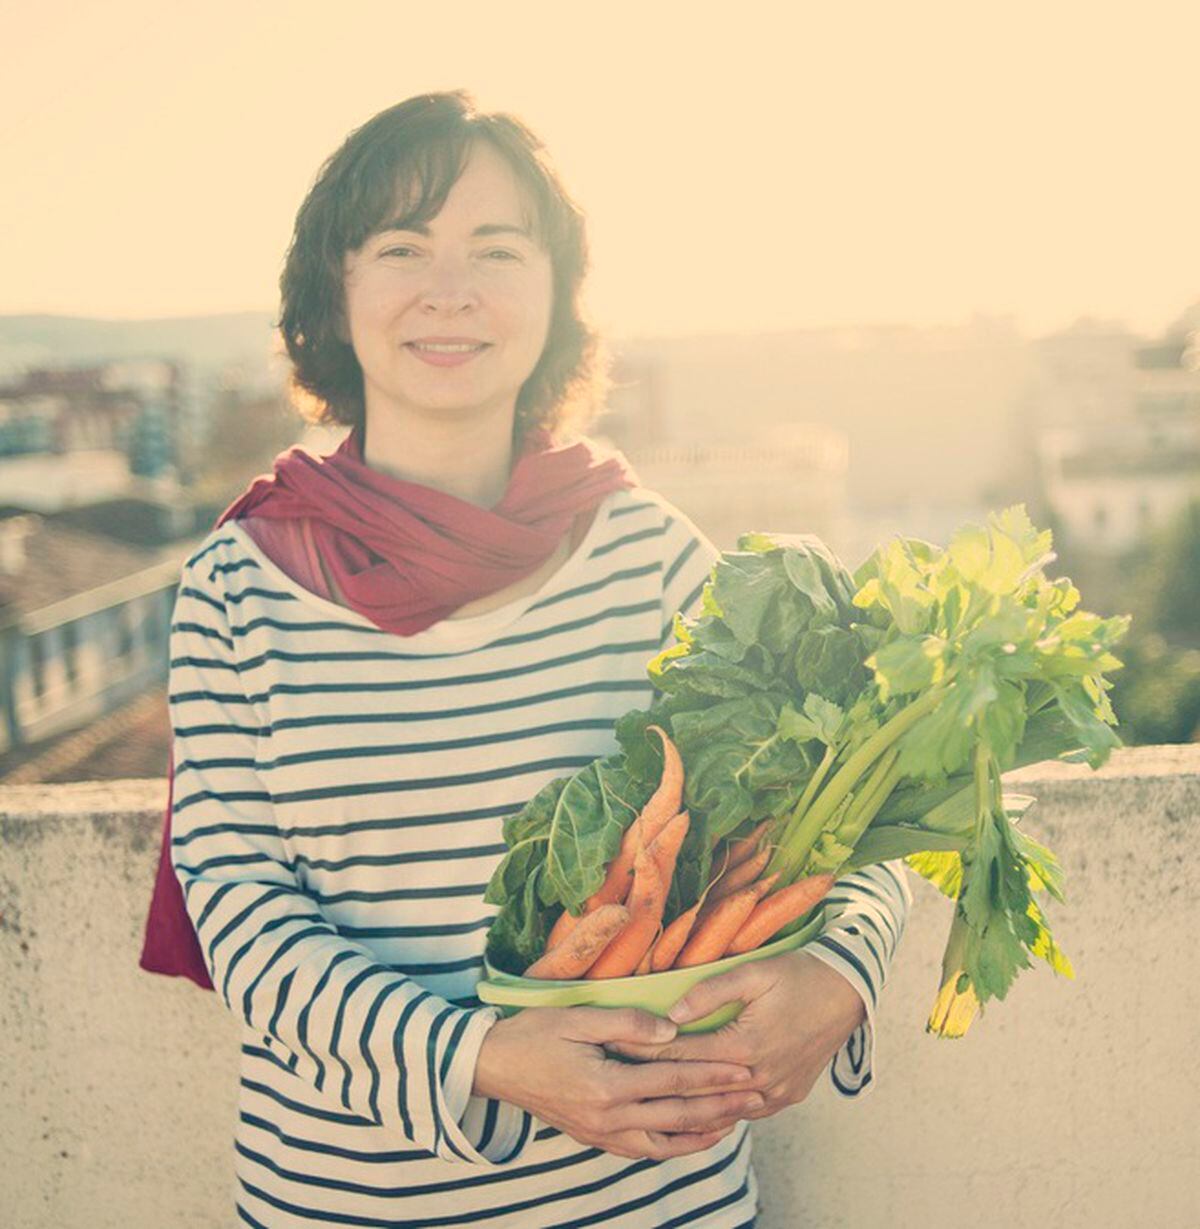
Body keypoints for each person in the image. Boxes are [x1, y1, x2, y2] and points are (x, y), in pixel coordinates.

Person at [142, 91, 911, 1227]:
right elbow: (241, 908)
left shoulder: (646, 552)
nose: (450, 290)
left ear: (554, 299)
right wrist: (486, 1055)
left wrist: (842, 972)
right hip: (345, 1202)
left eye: (496, 251)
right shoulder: (238, 588)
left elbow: (852, 809)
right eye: (403, 248)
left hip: (657, 1200)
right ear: (333, 294)